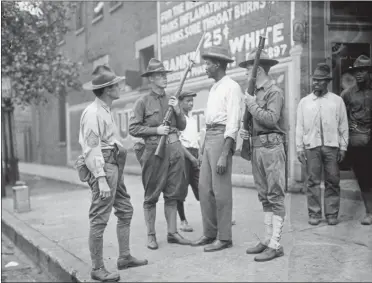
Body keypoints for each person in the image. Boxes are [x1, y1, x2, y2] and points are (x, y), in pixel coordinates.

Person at [75, 65, 147, 282]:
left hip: (113, 164)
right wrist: (101, 179)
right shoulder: (93, 113)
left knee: (125, 209)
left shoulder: (104, 109)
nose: (119, 87)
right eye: (116, 85)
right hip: (104, 167)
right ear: (107, 89)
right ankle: (98, 268)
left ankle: (124, 257)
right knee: (99, 217)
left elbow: (107, 140)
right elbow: (91, 147)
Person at [129, 58, 191, 250]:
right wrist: (155, 131)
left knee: (173, 193)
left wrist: (178, 110)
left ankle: (172, 233)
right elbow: (133, 128)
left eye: (165, 75)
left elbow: (182, 125)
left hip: (173, 150)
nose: (164, 78)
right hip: (154, 152)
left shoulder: (171, 99)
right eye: (160, 76)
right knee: (151, 195)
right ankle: (151, 235)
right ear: (151, 79)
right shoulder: (142, 102)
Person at [191, 46, 242, 252]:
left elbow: (233, 123)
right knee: (204, 189)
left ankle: (224, 237)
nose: (205, 67)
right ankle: (210, 232)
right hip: (209, 137)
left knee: (221, 191)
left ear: (219, 65)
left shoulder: (232, 87)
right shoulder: (214, 88)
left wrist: (224, 153)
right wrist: (203, 148)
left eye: (208, 64)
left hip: (222, 138)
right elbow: (208, 122)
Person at [239, 49, 286, 262]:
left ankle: (276, 244)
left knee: (275, 195)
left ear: (258, 70)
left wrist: (251, 104)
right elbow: (256, 120)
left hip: (271, 147)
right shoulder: (255, 92)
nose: (245, 74)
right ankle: (267, 239)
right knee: (264, 195)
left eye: (248, 70)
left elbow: (271, 118)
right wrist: (246, 128)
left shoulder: (273, 92)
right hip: (258, 147)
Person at [296, 63, 349, 226]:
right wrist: (299, 147)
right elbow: (300, 126)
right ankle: (314, 213)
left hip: (331, 147)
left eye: (320, 80)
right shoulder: (305, 102)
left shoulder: (337, 101)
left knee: (333, 180)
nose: (316, 83)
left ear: (327, 82)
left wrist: (343, 147)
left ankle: (332, 213)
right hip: (312, 146)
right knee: (312, 181)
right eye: (314, 80)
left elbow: (343, 125)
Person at [341, 55, 372, 225]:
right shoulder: (347, 94)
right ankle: (369, 212)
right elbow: (340, 117)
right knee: (363, 178)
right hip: (359, 141)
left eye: (363, 70)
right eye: (356, 71)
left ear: (369, 72)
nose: (359, 74)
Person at [177, 90, 201, 232]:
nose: (191, 103)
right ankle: (183, 220)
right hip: (184, 156)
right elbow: (178, 143)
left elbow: (196, 139)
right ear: (180, 102)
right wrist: (190, 158)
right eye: (187, 101)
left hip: (194, 154)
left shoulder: (192, 119)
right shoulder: (178, 119)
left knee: (202, 187)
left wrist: (198, 155)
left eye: (192, 101)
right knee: (181, 189)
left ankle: (213, 217)